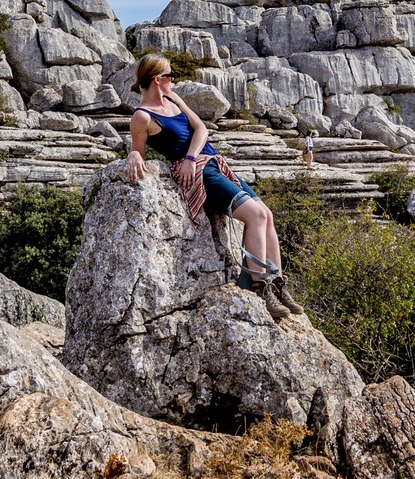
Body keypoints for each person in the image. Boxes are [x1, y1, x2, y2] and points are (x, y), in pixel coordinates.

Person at [125, 53, 303, 319]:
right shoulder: (142, 116)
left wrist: (191, 157)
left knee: (266, 214)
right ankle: (259, 285)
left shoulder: (173, 99)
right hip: (200, 176)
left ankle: (276, 282)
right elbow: (137, 149)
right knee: (254, 215)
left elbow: (201, 130)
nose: (174, 80)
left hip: (208, 162)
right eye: (170, 76)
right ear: (158, 79)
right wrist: (133, 155)